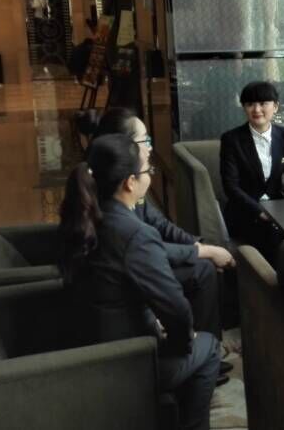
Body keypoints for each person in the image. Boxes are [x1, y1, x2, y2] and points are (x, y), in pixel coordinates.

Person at [58, 134, 230, 430]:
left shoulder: (87, 216)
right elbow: (177, 309)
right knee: (209, 347)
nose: (151, 174)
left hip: (89, 347)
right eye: (148, 169)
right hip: (127, 361)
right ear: (129, 182)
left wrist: (152, 322)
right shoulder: (134, 234)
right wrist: (181, 342)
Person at [86, 107, 230, 341]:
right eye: (145, 140)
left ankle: (207, 342)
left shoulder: (125, 184)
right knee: (202, 269)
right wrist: (203, 251)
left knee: (204, 267)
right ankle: (203, 346)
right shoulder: (112, 192)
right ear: (123, 145)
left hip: (134, 264)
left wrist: (198, 244)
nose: (150, 147)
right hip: (127, 280)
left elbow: (160, 224)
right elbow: (142, 245)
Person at [219, 81, 284, 247]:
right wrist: (259, 211)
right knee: (272, 237)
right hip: (245, 212)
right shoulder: (231, 139)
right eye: (250, 104)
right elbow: (230, 186)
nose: (256, 110)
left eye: (263, 103)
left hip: (279, 210)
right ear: (244, 107)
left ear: (275, 107)